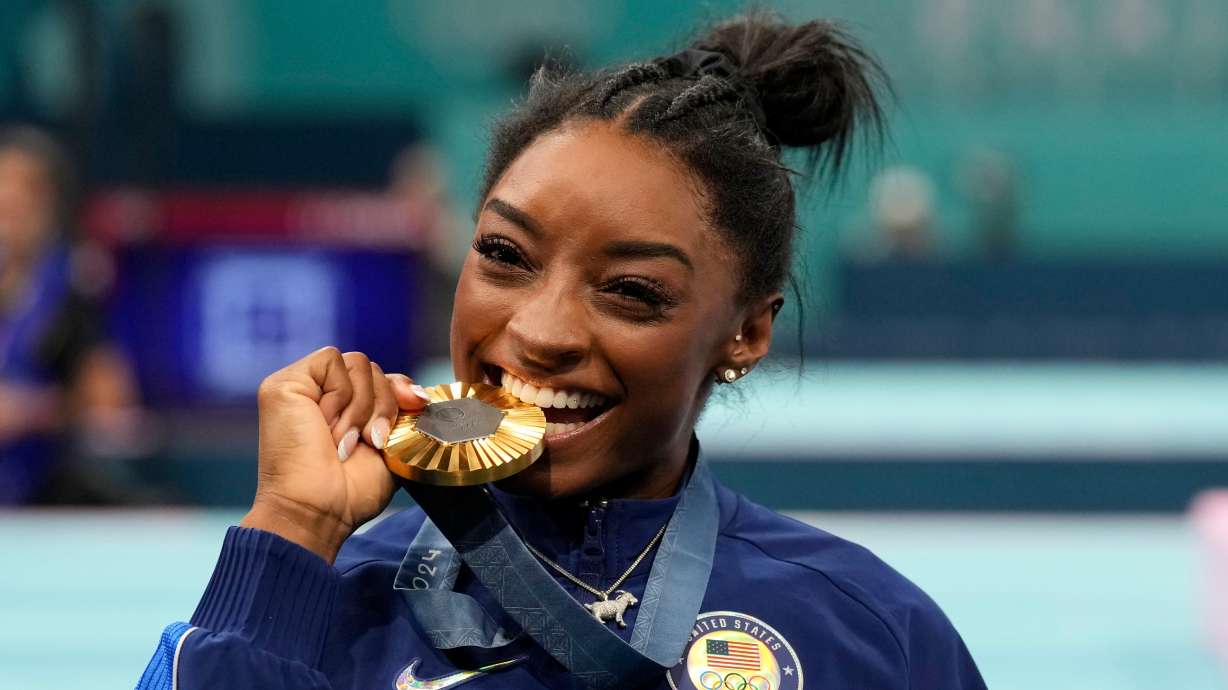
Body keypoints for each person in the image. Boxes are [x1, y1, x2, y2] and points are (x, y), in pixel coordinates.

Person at [136, 13, 985, 690]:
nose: (539, 333)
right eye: (505, 257)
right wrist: (293, 527)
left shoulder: (867, 635)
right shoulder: (324, 598)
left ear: (746, 333)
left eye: (630, 291)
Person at [0, 126, 144, 504]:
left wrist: (30, 411)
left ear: (51, 207)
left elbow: (111, 403)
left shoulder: (75, 290)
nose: (7, 205)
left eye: (23, 197)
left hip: (47, 495)